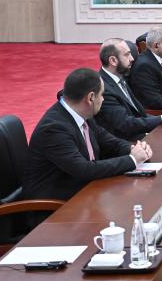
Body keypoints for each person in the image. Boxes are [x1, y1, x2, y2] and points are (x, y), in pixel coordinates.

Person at [23, 68, 151, 200]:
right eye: (102, 95)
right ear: (90, 98)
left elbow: (110, 142)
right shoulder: (54, 129)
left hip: (84, 191)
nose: (103, 99)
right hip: (54, 204)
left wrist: (133, 149)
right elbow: (84, 170)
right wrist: (132, 160)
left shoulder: (81, 113)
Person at [96, 38, 162, 141]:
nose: (132, 58)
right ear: (113, 61)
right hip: (127, 143)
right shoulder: (103, 88)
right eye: (127, 54)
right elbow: (125, 124)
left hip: (140, 134)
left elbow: (139, 113)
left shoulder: (119, 77)